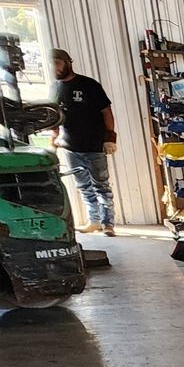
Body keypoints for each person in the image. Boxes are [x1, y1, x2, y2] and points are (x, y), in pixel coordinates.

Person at [52, 49, 117, 236]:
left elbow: (106, 112)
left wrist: (110, 137)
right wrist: (53, 141)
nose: (54, 68)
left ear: (67, 63)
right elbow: (54, 117)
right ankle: (94, 221)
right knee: (84, 187)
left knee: (101, 185)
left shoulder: (89, 85)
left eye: (57, 63)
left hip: (94, 145)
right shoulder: (54, 89)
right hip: (71, 147)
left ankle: (108, 224)